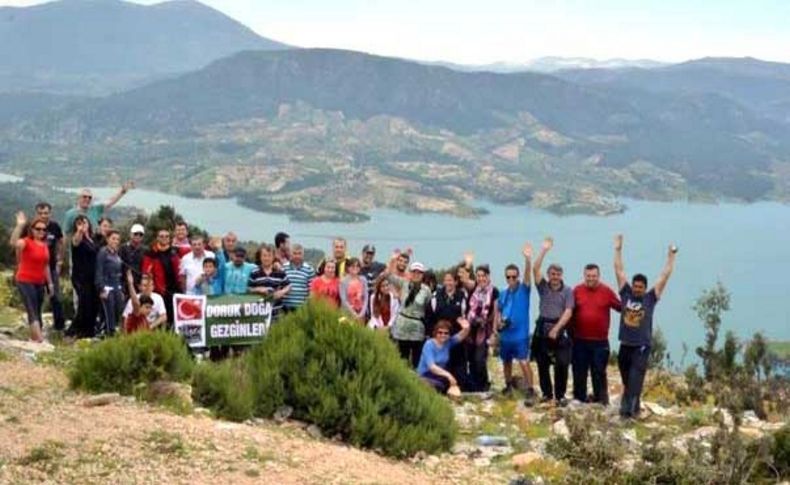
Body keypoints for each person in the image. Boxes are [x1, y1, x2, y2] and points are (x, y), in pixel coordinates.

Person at [614, 235, 677, 418]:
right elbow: (619, 270)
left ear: (645, 287)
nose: (637, 289)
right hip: (625, 344)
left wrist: (671, 256)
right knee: (627, 379)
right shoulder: (625, 293)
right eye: (635, 286)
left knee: (635, 380)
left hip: (641, 346)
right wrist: (618, 249)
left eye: (641, 287)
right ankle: (633, 405)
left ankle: (628, 412)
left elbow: (664, 276)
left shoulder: (650, 298)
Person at [532, 237, 575, 406]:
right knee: (542, 363)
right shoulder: (543, 287)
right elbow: (535, 269)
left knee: (562, 363)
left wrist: (557, 328)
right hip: (543, 327)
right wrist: (543, 250)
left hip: (560, 328)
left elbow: (568, 311)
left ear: (561, 275)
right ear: (549, 275)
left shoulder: (567, 291)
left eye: (557, 274)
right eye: (552, 274)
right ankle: (547, 394)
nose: (555, 277)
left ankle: (560, 395)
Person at [571, 263, 622, 405]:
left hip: (600, 342)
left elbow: (621, 307)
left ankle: (601, 401)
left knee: (599, 372)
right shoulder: (577, 290)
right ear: (584, 276)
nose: (591, 279)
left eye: (594, 276)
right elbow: (568, 310)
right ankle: (579, 399)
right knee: (579, 372)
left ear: (598, 276)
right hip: (580, 340)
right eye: (588, 276)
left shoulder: (606, 291)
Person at [497, 244, 537, 402]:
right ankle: (508, 385)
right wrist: (499, 323)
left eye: (514, 276)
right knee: (506, 361)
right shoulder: (503, 294)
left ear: (518, 277)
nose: (511, 279)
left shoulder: (524, 290)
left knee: (523, 361)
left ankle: (530, 389)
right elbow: (499, 310)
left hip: (520, 335)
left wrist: (527, 260)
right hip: (506, 335)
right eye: (508, 277)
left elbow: (528, 276)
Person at [9, 211, 51, 342]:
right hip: (25, 280)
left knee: (37, 310)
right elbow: (13, 242)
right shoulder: (26, 242)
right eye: (38, 229)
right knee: (31, 308)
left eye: (43, 229)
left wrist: (50, 283)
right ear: (31, 230)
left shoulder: (44, 245)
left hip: (39, 282)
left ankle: (34, 338)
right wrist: (20, 226)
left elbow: (46, 266)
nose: (41, 231)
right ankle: (39, 340)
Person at [429, 270, 468, 388]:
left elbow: (464, 315)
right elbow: (431, 315)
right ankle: (443, 387)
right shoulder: (436, 295)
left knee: (458, 362)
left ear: (456, 282)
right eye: (446, 280)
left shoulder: (462, 295)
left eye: (451, 280)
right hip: (441, 336)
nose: (448, 283)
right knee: (442, 362)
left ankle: (460, 387)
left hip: (456, 336)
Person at [389, 261, 432, 369]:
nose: (416, 275)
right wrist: (393, 260)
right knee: (402, 357)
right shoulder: (403, 283)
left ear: (422, 275)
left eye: (419, 273)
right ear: (410, 273)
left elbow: (427, 307)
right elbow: (388, 276)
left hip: (417, 327)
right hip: (402, 325)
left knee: (416, 359)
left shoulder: (426, 290)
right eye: (414, 272)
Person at [466, 264, 499, 392]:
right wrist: (468, 266)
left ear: (488, 276)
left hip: (485, 328)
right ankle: (475, 385)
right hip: (471, 326)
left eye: (483, 276)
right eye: (478, 276)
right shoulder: (474, 289)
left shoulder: (493, 291)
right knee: (472, 358)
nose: (480, 279)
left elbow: (496, 311)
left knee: (480, 358)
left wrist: (494, 331)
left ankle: (484, 384)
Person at [418, 318, 471, 394]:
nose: (443, 335)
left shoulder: (448, 343)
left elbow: (461, 336)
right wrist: (448, 375)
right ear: (436, 332)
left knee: (449, 384)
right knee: (442, 384)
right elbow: (432, 367)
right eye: (440, 332)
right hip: (426, 374)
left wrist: (466, 327)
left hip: (439, 375)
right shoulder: (429, 344)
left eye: (446, 333)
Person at [34, 202, 65, 332]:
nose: (43, 216)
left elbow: (61, 242)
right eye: (40, 213)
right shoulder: (33, 227)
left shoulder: (54, 226)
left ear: (50, 213)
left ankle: (59, 327)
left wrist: (60, 260)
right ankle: (37, 326)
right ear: (37, 214)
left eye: (46, 213)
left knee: (55, 297)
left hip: (51, 267)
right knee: (37, 298)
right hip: (36, 269)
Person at [68, 215, 99, 338]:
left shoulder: (91, 240)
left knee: (93, 304)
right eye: (79, 223)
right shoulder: (78, 239)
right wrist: (80, 231)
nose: (83, 225)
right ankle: (73, 331)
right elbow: (75, 242)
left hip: (92, 278)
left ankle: (88, 331)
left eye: (85, 222)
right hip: (81, 277)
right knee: (84, 304)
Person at [142, 228, 181, 325]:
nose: (164, 238)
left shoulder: (175, 251)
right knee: (161, 317)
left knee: (174, 317)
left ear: (170, 239)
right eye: (161, 236)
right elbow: (146, 273)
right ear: (157, 238)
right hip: (159, 291)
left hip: (175, 290)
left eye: (167, 236)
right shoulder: (151, 253)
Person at [64, 182, 133, 235]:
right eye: (84, 197)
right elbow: (66, 234)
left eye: (89, 197)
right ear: (79, 198)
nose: (87, 199)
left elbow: (109, 202)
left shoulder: (95, 210)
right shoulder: (70, 214)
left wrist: (122, 192)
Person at [248, 244, 291, 320]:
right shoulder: (254, 272)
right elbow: (248, 289)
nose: (266, 258)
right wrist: (258, 289)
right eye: (264, 256)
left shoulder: (280, 272)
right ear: (260, 257)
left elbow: (289, 286)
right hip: (259, 313)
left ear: (273, 257)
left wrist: (282, 292)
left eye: (269, 256)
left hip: (276, 313)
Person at [95, 230, 124, 336]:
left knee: (118, 310)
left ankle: (115, 332)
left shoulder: (117, 253)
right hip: (107, 287)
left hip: (117, 286)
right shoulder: (103, 252)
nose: (116, 241)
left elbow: (119, 272)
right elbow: (99, 271)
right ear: (107, 239)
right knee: (109, 312)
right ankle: (108, 333)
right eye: (113, 238)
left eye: (117, 239)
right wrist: (101, 288)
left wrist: (121, 288)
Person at [282, 244, 316, 312]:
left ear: (303, 255)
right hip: (285, 307)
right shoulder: (283, 268)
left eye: (299, 253)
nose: (297, 256)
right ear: (291, 254)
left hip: (302, 308)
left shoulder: (309, 269)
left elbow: (312, 290)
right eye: (295, 253)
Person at [119, 223, 145, 297]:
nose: (138, 236)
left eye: (140, 234)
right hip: (125, 284)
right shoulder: (123, 248)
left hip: (139, 285)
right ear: (131, 234)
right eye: (135, 234)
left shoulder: (144, 250)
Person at [340, 258, 369, 322]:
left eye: (357, 266)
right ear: (348, 268)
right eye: (353, 266)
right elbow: (344, 300)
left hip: (361, 314)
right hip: (348, 313)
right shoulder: (343, 281)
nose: (355, 268)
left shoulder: (363, 279)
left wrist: (362, 313)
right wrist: (354, 314)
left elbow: (366, 297)